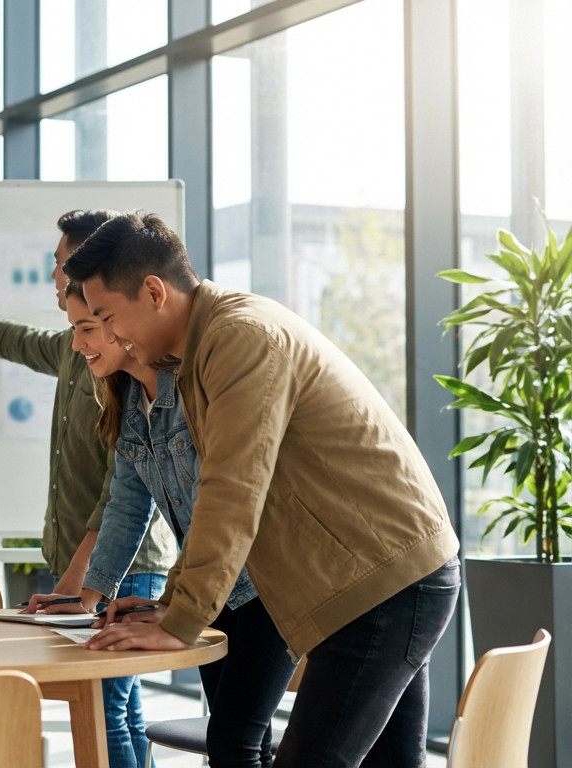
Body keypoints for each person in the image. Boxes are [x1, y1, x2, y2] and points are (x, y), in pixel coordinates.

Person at [63, 211, 461, 767]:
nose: (110, 337)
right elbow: (212, 500)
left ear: (153, 292)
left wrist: (181, 622)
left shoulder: (239, 338)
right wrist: (175, 604)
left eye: (106, 316)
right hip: (378, 577)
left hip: (381, 584)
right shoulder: (202, 347)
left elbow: (232, 489)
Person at [0, 209, 176, 767]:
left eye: (60, 265)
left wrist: (79, 587)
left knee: (105, 706)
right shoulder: (72, 347)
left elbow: (122, 497)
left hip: (124, 565)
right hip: (82, 569)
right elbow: (15, 340)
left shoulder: (126, 365)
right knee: (119, 708)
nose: (54, 278)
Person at [36, 280, 296, 767]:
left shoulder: (194, 386)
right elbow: (126, 504)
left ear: (121, 325)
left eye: (89, 326)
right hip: (209, 590)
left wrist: (179, 609)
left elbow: (231, 500)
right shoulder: (129, 403)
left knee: (235, 741)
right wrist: (92, 592)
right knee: (235, 741)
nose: (78, 344)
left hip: (262, 587)